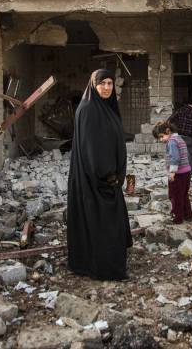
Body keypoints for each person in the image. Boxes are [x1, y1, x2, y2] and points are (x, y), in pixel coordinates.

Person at [67, 69, 132, 281]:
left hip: (108, 178)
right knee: (102, 224)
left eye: (110, 83)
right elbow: (90, 148)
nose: (106, 88)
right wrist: (107, 174)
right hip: (95, 180)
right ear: (93, 86)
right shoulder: (87, 109)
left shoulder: (107, 108)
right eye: (102, 83)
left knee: (107, 224)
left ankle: (105, 262)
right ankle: (103, 268)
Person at [153, 121, 192, 224]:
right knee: (184, 194)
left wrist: (172, 172)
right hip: (186, 172)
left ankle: (177, 218)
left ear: (168, 131)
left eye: (161, 137)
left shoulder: (172, 142)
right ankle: (187, 215)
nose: (161, 140)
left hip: (178, 174)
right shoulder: (180, 139)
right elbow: (185, 155)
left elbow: (175, 158)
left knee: (175, 195)